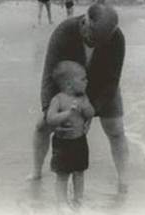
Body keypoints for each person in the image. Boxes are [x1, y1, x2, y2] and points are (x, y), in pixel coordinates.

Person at [29, 2, 129, 194]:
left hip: (102, 85)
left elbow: (112, 81)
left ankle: (123, 180)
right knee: (42, 126)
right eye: (93, 37)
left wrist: (91, 110)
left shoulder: (116, 38)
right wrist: (50, 111)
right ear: (85, 21)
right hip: (70, 85)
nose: (96, 44)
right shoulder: (64, 31)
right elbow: (50, 75)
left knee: (115, 129)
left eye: (102, 41)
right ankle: (36, 172)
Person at [47, 61, 94, 210]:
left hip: (79, 141)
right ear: (68, 84)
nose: (87, 81)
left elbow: (91, 113)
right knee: (62, 174)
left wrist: (87, 109)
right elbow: (50, 119)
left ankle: (78, 201)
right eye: (83, 79)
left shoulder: (83, 98)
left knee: (79, 172)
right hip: (62, 143)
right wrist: (68, 113)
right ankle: (61, 202)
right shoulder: (58, 99)